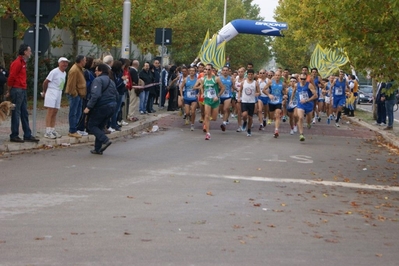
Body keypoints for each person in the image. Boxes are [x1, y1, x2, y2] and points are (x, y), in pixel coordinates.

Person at [6, 44, 39, 143]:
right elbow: (12, 76)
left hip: (22, 88)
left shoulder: (23, 62)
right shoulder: (17, 63)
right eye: (29, 51)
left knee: (24, 112)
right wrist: (9, 89)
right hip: (17, 89)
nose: (30, 53)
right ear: (25, 52)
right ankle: (14, 134)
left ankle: (27, 134)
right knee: (16, 112)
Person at [83, 63, 118, 155]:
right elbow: (116, 95)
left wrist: (88, 107)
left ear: (101, 71)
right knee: (100, 127)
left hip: (102, 106)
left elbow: (96, 95)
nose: (95, 72)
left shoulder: (98, 80)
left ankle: (105, 140)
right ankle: (97, 149)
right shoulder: (111, 81)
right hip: (112, 106)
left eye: (96, 70)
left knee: (92, 126)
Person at [42, 57, 70, 139]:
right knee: (50, 111)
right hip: (52, 91)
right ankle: (47, 131)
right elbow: (46, 81)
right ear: (59, 63)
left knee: (55, 111)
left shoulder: (64, 73)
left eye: (66, 63)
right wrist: (45, 91)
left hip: (59, 91)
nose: (65, 64)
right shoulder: (54, 72)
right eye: (63, 62)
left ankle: (52, 129)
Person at [197, 64, 225, 140]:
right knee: (207, 115)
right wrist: (202, 94)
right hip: (207, 100)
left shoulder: (216, 79)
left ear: (212, 70)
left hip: (215, 100)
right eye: (206, 69)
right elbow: (202, 87)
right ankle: (208, 133)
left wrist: (218, 96)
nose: (208, 71)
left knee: (214, 118)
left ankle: (207, 122)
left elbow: (223, 88)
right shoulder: (203, 79)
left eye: (209, 69)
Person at [65, 55, 87, 138]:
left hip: (79, 94)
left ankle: (75, 128)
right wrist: (75, 94)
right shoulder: (74, 70)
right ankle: (72, 130)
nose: (85, 62)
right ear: (81, 61)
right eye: (85, 60)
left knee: (78, 113)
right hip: (75, 94)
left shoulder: (79, 69)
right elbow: (71, 84)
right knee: (73, 113)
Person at [291, 73, 318, 141]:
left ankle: (309, 123)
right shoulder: (296, 85)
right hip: (301, 104)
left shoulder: (309, 85)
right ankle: (301, 134)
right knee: (300, 117)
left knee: (308, 119)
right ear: (299, 78)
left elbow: (315, 95)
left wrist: (307, 100)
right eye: (301, 79)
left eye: (304, 79)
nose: (302, 80)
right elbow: (293, 92)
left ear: (306, 79)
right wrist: (291, 100)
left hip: (309, 104)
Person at [264, 70, 286, 138]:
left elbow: (285, 92)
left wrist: (285, 96)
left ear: (280, 76)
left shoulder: (282, 84)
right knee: (272, 116)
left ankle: (276, 131)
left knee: (277, 115)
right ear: (274, 76)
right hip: (271, 101)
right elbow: (264, 90)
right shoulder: (270, 82)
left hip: (278, 102)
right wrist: (269, 95)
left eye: (278, 75)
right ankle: (271, 119)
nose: (277, 77)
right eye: (276, 75)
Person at [237, 68, 260, 137]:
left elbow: (259, 92)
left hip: (252, 102)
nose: (250, 76)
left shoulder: (255, 83)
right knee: (244, 115)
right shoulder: (243, 82)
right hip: (244, 101)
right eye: (249, 74)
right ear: (247, 75)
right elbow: (240, 90)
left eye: (251, 74)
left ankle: (249, 129)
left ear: (253, 75)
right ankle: (244, 121)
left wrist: (257, 94)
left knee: (250, 117)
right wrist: (239, 97)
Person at [179, 66, 198, 131]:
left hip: (194, 98)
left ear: (195, 72)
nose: (192, 72)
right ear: (189, 71)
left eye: (193, 71)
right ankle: (188, 117)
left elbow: (201, 87)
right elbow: (181, 87)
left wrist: (198, 93)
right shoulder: (186, 79)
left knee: (193, 111)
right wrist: (181, 95)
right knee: (187, 113)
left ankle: (192, 124)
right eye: (190, 71)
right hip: (186, 98)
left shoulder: (197, 80)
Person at [219, 66, 235, 131]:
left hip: (228, 96)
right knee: (222, 110)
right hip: (220, 96)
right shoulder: (219, 78)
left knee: (226, 108)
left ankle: (224, 123)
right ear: (222, 71)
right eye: (224, 70)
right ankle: (226, 118)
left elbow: (233, 86)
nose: (225, 71)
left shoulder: (231, 79)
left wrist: (238, 90)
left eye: (226, 70)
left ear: (228, 71)